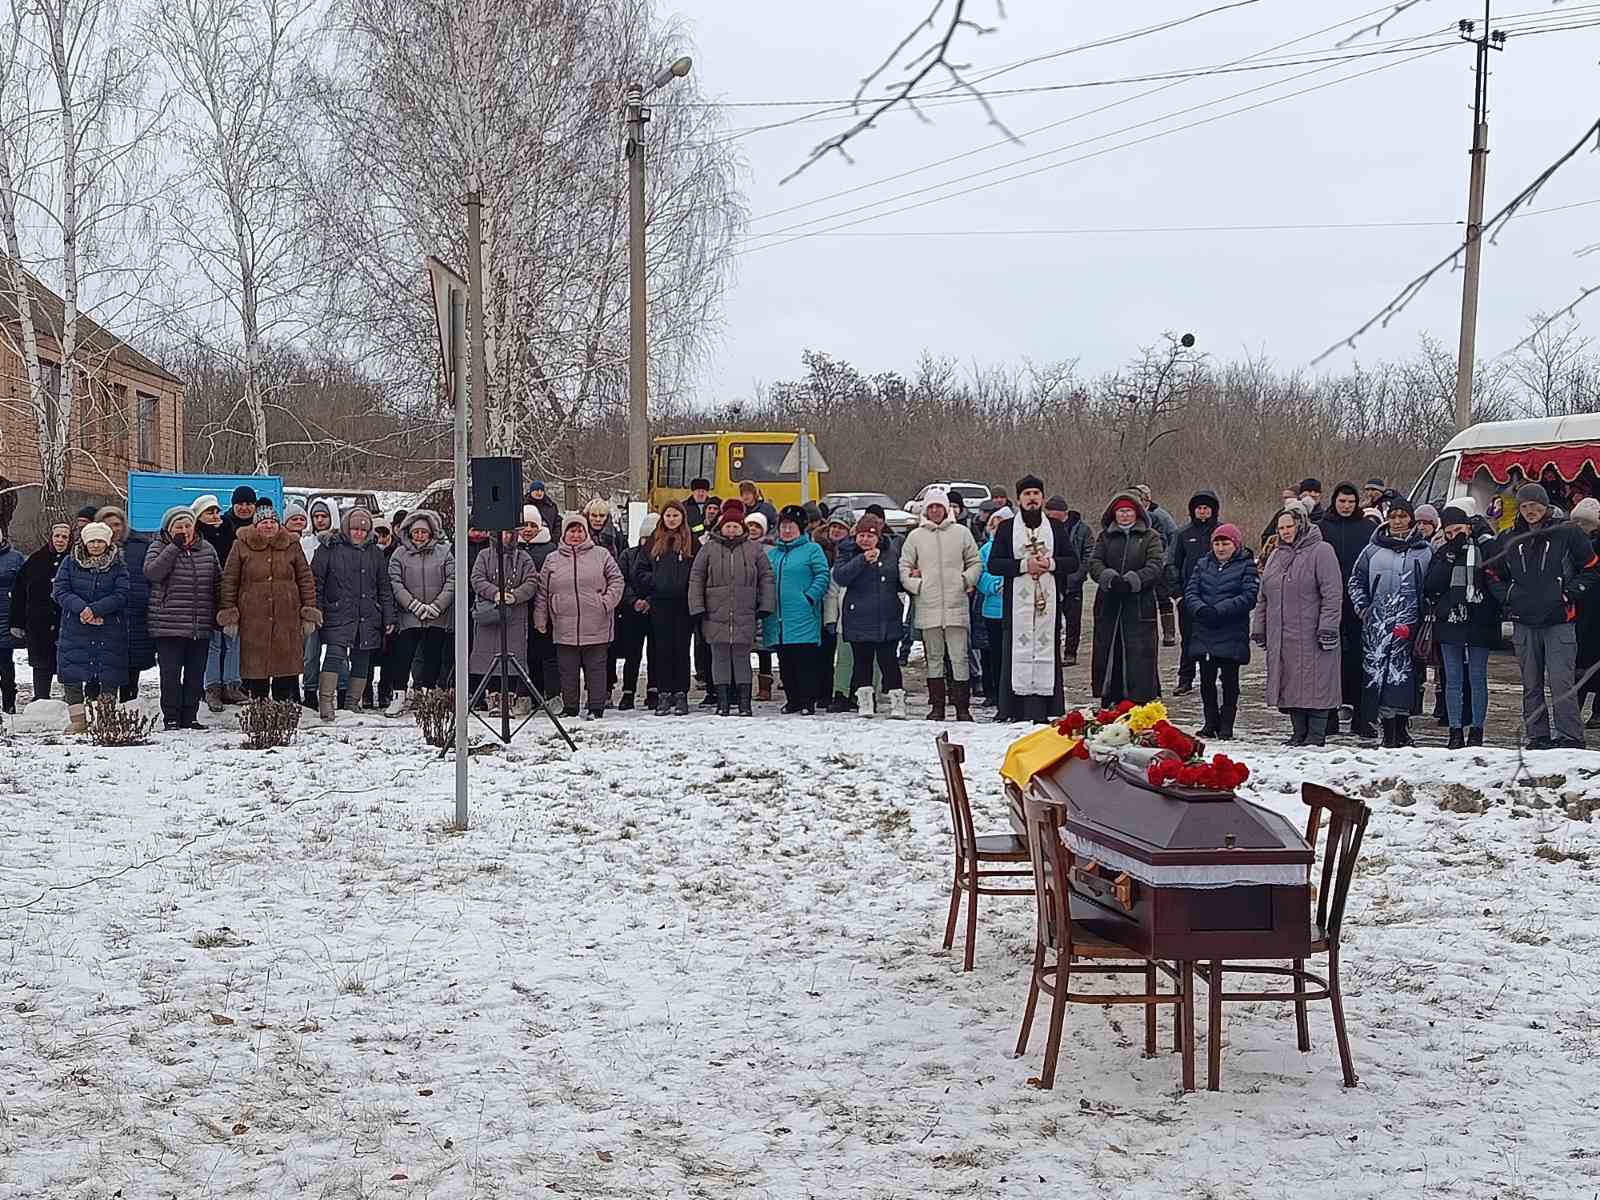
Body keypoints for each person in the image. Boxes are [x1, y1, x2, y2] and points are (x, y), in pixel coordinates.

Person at [1487, 482, 1600, 750]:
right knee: (1531, 684)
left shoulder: (1567, 533)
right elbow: (1492, 573)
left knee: (1562, 683)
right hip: (1524, 621)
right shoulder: (1509, 538)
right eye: (1524, 506)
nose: (1530, 511)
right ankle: (1537, 735)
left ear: (1545, 505)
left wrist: (1568, 594)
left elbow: (1592, 568)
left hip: (1559, 620)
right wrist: (1508, 597)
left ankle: (1570, 737)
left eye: (1535, 505)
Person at [988, 476, 1080, 723]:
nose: (1031, 498)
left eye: (1036, 494)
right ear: (1019, 499)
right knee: (1015, 652)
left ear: (1042, 498)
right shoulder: (1007, 528)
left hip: (1047, 605)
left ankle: (1045, 708)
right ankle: (1012, 709)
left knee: (1045, 649)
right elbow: (994, 564)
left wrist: (1049, 563)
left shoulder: (1055, 527)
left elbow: (1073, 562)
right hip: (1016, 605)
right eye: (1027, 494)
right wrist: (1023, 565)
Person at [1252, 503, 1344, 746]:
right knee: (1291, 682)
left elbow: (1332, 593)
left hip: (1313, 634)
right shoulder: (1276, 555)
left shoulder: (1322, 551)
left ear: (1301, 524)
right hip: (1283, 634)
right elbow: (1264, 596)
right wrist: (1259, 627)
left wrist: (1328, 627)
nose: (1285, 531)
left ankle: (1316, 734)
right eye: (1281, 527)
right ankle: (1298, 732)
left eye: (1289, 526)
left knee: (1316, 683)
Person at [1349, 497, 1434, 748]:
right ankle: (1387, 730)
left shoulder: (1425, 551)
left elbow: (1433, 585)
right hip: (1377, 626)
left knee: (1405, 677)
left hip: (1410, 625)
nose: (1397, 521)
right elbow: (1356, 581)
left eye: (1402, 516)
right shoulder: (1372, 550)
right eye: (1393, 516)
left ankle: (1401, 727)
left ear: (1411, 518)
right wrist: (1363, 607)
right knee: (1379, 677)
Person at [219, 508, 320, 703]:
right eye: (263, 522)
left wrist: (308, 610)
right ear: (256, 525)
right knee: (256, 670)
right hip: (253, 618)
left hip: (287, 616)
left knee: (285, 668)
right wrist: (229, 611)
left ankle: (283, 713)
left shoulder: (292, 545)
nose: (268, 525)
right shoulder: (240, 546)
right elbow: (230, 580)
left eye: (272, 522)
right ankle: (260, 712)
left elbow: (305, 579)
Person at [899, 486, 981, 721]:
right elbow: (904, 566)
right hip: (928, 605)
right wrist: (917, 586)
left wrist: (966, 580)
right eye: (931, 507)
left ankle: (962, 708)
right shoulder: (916, 536)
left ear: (946, 509)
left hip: (956, 604)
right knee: (933, 658)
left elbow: (975, 562)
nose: (935, 511)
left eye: (939, 506)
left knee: (959, 657)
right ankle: (937, 707)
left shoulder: (962, 533)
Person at [688, 499, 775, 717]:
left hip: (745, 612)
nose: (732, 529)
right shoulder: (709, 549)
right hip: (714, 612)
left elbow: (766, 578)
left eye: (736, 526)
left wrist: (766, 605)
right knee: (719, 657)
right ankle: (723, 702)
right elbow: (696, 577)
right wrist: (697, 607)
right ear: (721, 526)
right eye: (728, 525)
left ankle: (744, 703)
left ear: (742, 528)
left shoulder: (754, 550)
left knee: (742, 657)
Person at [1424, 505, 1501, 748]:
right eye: (1449, 532)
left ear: (1468, 527)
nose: (1454, 535)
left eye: (1459, 529)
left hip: (1480, 621)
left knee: (1477, 677)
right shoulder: (1444, 552)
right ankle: (1455, 731)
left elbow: (1497, 576)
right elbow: (1432, 584)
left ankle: (1477, 730)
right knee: (1453, 678)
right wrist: (1450, 554)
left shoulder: (1485, 548)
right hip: (1451, 621)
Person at [535, 512, 624, 719]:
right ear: (564, 533)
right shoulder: (552, 559)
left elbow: (617, 581)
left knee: (596, 669)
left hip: (597, 622)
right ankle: (571, 707)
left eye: (580, 530)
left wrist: (605, 603)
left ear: (586, 532)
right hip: (563, 624)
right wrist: (541, 618)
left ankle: (596, 707)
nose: (576, 535)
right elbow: (542, 591)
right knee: (567, 670)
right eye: (571, 530)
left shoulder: (601, 554)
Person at [311, 507, 395, 721]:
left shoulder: (375, 553)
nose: (359, 533)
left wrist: (388, 616)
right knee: (334, 656)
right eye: (355, 529)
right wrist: (316, 610)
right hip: (337, 612)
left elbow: (383, 587)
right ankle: (326, 703)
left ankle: (352, 703)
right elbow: (316, 583)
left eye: (363, 530)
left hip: (367, 614)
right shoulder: (329, 548)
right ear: (347, 528)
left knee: (362, 658)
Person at [144, 505, 222, 730]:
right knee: (170, 674)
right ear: (168, 528)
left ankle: (190, 716)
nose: (184, 530)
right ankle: (171, 717)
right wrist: (174, 547)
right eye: (179, 526)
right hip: (168, 624)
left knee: (195, 674)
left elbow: (218, 580)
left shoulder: (206, 549)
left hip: (200, 623)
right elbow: (152, 573)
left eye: (188, 525)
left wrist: (221, 609)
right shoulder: (159, 547)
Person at [1086, 491, 1166, 707]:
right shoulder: (1105, 537)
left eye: (1129, 511)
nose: (1124, 515)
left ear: (1137, 513)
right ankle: (1110, 699)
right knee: (1109, 652)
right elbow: (1094, 563)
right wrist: (1109, 578)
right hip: (1109, 604)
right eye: (1121, 511)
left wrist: (1133, 580)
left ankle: (1140, 702)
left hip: (1139, 605)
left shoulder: (1151, 537)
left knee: (1139, 656)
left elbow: (1156, 565)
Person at [53, 520, 131, 732]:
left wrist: (96, 610)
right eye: (92, 541)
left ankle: (105, 718)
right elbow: (60, 590)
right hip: (75, 627)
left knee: (109, 672)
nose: (96, 545)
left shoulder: (118, 565)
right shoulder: (69, 563)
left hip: (109, 627)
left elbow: (122, 594)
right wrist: (82, 609)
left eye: (100, 541)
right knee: (72, 673)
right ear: (85, 542)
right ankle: (78, 720)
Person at [1183, 523, 1258, 740]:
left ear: (1235, 544)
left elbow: (1249, 595)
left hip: (1231, 631)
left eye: (1225, 543)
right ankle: (1210, 722)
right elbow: (1191, 591)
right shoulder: (1203, 564)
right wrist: (1201, 609)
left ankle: (1227, 725)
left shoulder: (1246, 566)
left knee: (1229, 682)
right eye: (1217, 543)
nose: (1221, 548)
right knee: (1206, 681)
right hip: (1204, 629)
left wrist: (1220, 610)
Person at [1317, 482, 1379, 738]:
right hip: (1328, 603)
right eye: (1342, 501)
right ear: (1335, 501)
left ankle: (1362, 717)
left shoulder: (1367, 528)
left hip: (1358, 603)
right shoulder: (1321, 527)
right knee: (1329, 660)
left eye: (1351, 502)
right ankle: (1329, 714)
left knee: (1359, 661)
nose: (1346, 506)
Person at [833, 514, 907, 717]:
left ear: (878, 537)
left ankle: (897, 702)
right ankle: (864, 702)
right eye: (862, 535)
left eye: (870, 536)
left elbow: (897, 579)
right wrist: (861, 560)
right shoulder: (846, 551)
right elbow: (841, 576)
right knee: (862, 662)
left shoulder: (891, 553)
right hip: (858, 617)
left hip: (887, 616)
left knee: (889, 662)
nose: (865, 540)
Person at [386, 511, 456, 714]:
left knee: (432, 656)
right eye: (415, 532)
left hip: (437, 616)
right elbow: (395, 582)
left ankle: (426, 693)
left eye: (423, 532)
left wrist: (437, 605)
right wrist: (413, 605)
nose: (419, 536)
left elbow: (452, 581)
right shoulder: (399, 554)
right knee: (403, 656)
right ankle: (398, 694)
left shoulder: (445, 552)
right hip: (410, 617)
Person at [765, 504, 831, 715]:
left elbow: (822, 575)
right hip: (778, 617)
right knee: (785, 661)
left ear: (800, 528)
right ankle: (792, 700)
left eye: (790, 526)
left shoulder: (812, 549)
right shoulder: (773, 553)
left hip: (802, 614)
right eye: (783, 526)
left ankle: (807, 701)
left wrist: (810, 596)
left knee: (804, 661)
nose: (786, 531)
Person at [467, 527, 538, 713]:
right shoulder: (484, 555)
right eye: (503, 533)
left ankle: (509, 699)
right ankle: (493, 698)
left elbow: (531, 581)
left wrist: (515, 595)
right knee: (488, 657)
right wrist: (495, 593)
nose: (507, 537)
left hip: (515, 613)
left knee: (513, 657)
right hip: (490, 612)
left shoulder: (523, 558)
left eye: (510, 533)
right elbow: (476, 579)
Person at [198, 487, 255, 710]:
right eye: (208, 512)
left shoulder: (229, 530)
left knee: (233, 640)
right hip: (207, 592)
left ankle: (232, 684)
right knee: (214, 642)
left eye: (216, 511)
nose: (214, 516)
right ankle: (212, 686)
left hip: (233, 591)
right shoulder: (197, 534)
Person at [1165, 488, 1221, 697]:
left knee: (1219, 639)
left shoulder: (1223, 532)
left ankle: (1222, 678)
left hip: (1218, 597)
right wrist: (1177, 594)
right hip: (1189, 597)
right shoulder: (1183, 534)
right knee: (1188, 639)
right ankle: (1185, 679)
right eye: (1199, 508)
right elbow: (1171, 564)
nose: (1203, 511)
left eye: (1207, 508)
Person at [95, 505, 154, 701]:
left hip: (135, 610)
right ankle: (101, 706)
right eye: (108, 525)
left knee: (132, 661)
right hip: (103, 612)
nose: (114, 529)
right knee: (103, 662)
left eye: (117, 524)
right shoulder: (92, 546)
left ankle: (129, 704)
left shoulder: (140, 545)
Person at [644, 501, 697, 716]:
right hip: (660, 603)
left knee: (681, 650)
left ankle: (681, 693)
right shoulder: (653, 541)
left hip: (684, 604)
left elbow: (699, 571)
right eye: (668, 515)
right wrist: (655, 582)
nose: (672, 519)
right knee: (662, 649)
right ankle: (664, 693)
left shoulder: (692, 542)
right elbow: (641, 569)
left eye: (676, 515)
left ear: (682, 517)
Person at [9, 522, 70, 702]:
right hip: (38, 625)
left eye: (64, 537)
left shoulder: (73, 561)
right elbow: (19, 592)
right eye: (57, 536)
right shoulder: (35, 560)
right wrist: (16, 622)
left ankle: (71, 703)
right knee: (41, 664)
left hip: (65, 624)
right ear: (50, 537)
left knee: (67, 664)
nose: (60, 540)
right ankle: (41, 701)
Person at [517, 505, 561, 709]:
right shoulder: (512, 548)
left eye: (532, 525)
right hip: (519, 608)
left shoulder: (550, 549)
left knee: (547, 654)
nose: (527, 529)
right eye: (524, 525)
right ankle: (529, 694)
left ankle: (552, 693)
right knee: (526, 654)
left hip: (544, 608)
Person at [614, 513, 659, 711]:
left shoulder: (661, 556)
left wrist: (649, 601)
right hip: (631, 611)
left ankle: (653, 690)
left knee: (655, 652)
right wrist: (633, 601)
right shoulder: (628, 555)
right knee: (633, 654)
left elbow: (663, 580)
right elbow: (621, 580)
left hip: (655, 610)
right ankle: (628, 691)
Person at [299, 499, 340, 709]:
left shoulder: (340, 544)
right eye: (316, 516)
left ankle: (338, 690)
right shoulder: (305, 543)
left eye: (324, 516)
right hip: (312, 603)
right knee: (311, 652)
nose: (320, 520)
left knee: (337, 651)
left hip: (336, 603)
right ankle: (310, 689)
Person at [975, 505, 1012, 707]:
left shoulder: (1016, 548)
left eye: (1002, 526)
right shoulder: (985, 550)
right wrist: (996, 584)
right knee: (992, 653)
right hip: (992, 608)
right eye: (994, 526)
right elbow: (979, 574)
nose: (997, 530)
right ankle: (993, 691)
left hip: (1015, 609)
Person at [1135, 484, 1179, 648]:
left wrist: (1166, 559)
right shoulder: (1135, 516)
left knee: (1163, 597)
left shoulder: (1160, 516)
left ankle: (1169, 633)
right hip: (1141, 565)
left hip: (1161, 563)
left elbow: (1174, 536)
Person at [1573, 498, 1600, 728]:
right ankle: (1575, 712)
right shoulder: (1574, 543)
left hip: (1590, 610)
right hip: (1581, 610)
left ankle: (1595, 712)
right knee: (1578, 665)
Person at [746, 512, 777, 701]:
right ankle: (744, 685)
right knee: (745, 648)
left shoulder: (770, 549)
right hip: (745, 601)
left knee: (764, 648)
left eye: (756, 527)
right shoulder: (741, 547)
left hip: (763, 601)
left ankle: (765, 686)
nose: (753, 530)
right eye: (750, 526)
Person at [1059, 506, 1091, 668]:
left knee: (1073, 620)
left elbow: (1088, 553)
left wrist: (1079, 575)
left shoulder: (1082, 529)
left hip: (1074, 582)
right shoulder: (1048, 527)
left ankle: (1070, 652)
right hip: (1055, 580)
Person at [0, 529, 22, 713]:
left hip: (6, 615)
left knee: (5, 661)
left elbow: (24, 586)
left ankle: (9, 703)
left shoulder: (15, 558)